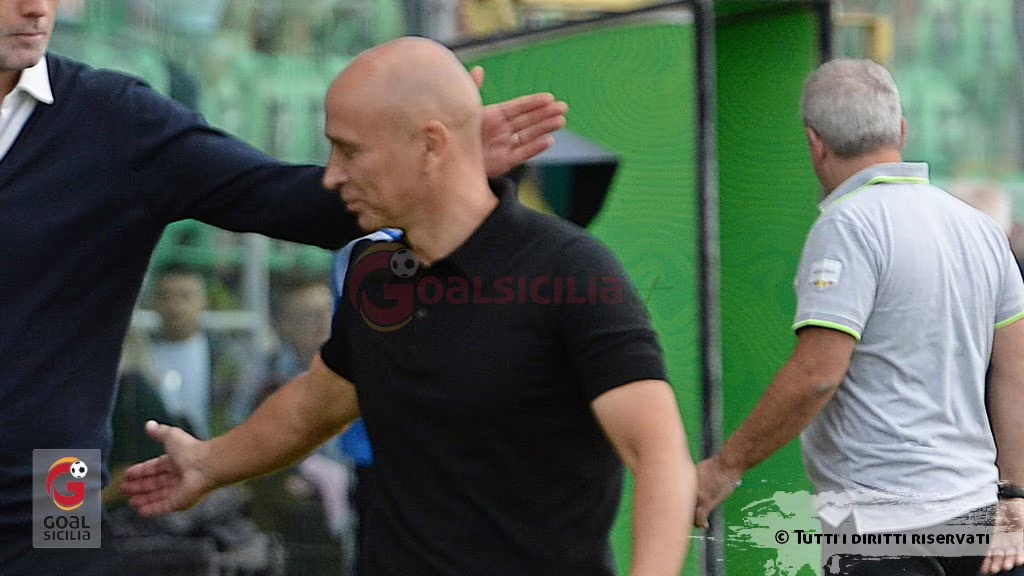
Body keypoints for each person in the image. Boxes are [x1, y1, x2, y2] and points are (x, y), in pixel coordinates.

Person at [0, 1, 566, 573]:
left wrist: (435, 169)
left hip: (54, 479)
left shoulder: (111, 119)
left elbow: (286, 200)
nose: (38, 8)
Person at [122, 36, 696, 576]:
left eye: (350, 151)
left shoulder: (569, 268)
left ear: (430, 145)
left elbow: (660, 457)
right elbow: (314, 405)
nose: (331, 176)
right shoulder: (378, 276)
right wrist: (208, 463)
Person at [693, 58, 1024, 575]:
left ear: (815, 143)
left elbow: (819, 374)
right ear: (902, 132)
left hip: (879, 525)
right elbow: (1015, 371)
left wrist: (725, 467)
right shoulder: (979, 228)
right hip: (979, 523)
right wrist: (1015, 497)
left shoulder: (847, 225)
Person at [149, 265, 250, 440]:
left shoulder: (227, 359)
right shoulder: (139, 357)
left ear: (204, 301)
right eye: (166, 296)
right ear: (153, 302)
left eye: (185, 296)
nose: (175, 306)